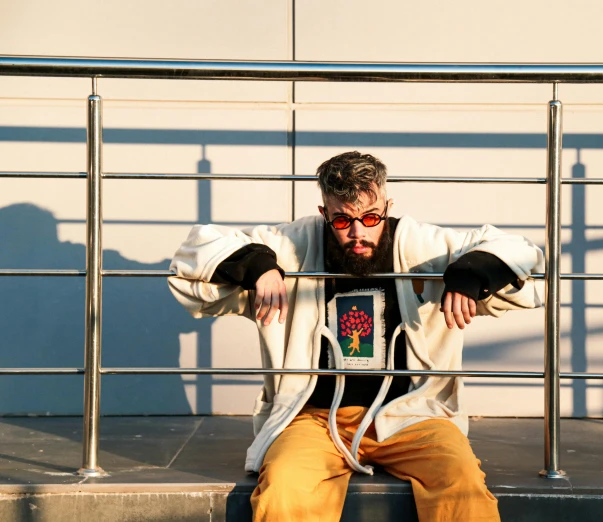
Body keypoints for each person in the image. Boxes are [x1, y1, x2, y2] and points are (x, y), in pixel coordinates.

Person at [168, 151, 544, 522]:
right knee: (283, 489)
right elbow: (195, 253)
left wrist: (472, 272)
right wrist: (257, 265)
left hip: (413, 415)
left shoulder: (419, 245)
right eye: (342, 221)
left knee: (462, 487)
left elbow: (524, 257)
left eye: (370, 217)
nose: (358, 233)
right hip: (313, 420)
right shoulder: (297, 244)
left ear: (387, 205)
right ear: (324, 214)